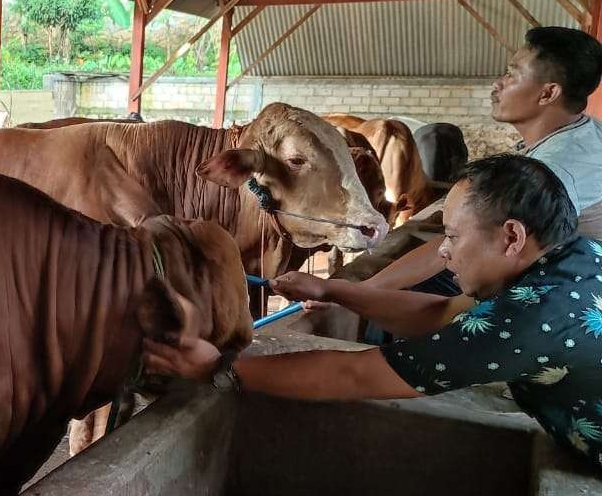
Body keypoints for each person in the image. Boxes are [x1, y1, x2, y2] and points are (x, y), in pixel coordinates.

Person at [144, 155, 602, 474]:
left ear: (512, 236)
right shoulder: (579, 259)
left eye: (453, 236)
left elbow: (356, 375)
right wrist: (335, 289)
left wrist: (217, 368)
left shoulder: (531, 319)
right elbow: (442, 310)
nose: (443, 253)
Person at [369, 26, 602, 292]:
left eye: (512, 75)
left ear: (548, 93)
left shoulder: (557, 166)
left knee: (414, 293)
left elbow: (464, 242)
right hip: (575, 273)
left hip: (570, 289)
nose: (498, 84)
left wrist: (364, 289)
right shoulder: (586, 131)